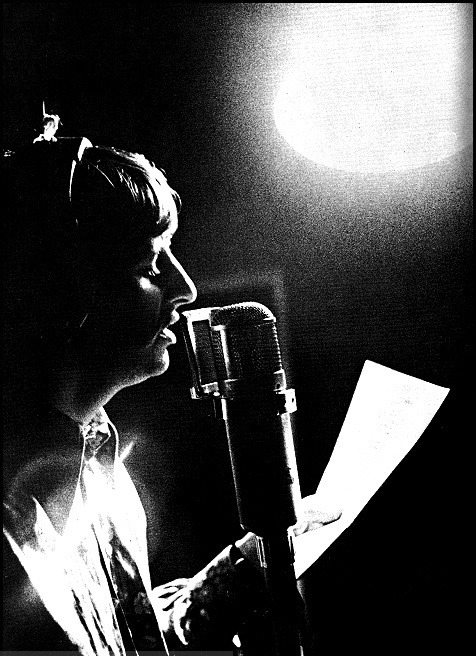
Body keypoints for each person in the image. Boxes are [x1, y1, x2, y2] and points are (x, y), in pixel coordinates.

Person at [3, 118, 338, 654]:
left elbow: (126, 637)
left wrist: (241, 573)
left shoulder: (105, 472)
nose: (185, 288)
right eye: (150, 263)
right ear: (63, 290)